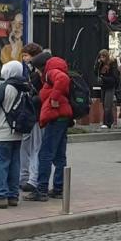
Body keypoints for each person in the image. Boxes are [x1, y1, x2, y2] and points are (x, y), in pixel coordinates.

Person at [0, 61, 31, 209]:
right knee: (14, 164)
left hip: (2, 131)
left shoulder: (4, 87)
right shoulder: (25, 88)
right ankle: (12, 195)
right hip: (17, 132)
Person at [25, 57, 72, 202]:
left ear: (41, 67)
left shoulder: (51, 72)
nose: (38, 73)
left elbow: (63, 80)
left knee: (45, 154)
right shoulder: (56, 69)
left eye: (37, 70)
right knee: (59, 155)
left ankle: (41, 190)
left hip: (56, 117)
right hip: (63, 117)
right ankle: (58, 188)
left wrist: (53, 99)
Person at [19, 44, 48, 193]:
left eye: (26, 56)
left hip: (37, 114)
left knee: (36, 146)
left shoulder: (39, 74)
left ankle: (33, 179)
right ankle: (26, 176)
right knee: (28, 145)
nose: (24, 59)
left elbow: (42, 95)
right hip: (33, 114)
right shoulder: (32, 73)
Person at [95, 50, 118, 129]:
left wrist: (103, 78)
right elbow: (95, 72)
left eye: (103, 56)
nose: (102, 58)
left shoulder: (112, 64)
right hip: (103, 86)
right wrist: (97, 63)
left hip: (110, 86)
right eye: (100, 56)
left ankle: (106, 122)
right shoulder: (101, 64)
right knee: (104, 104)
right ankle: (110, 121)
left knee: (108, 105)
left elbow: (114, 77)